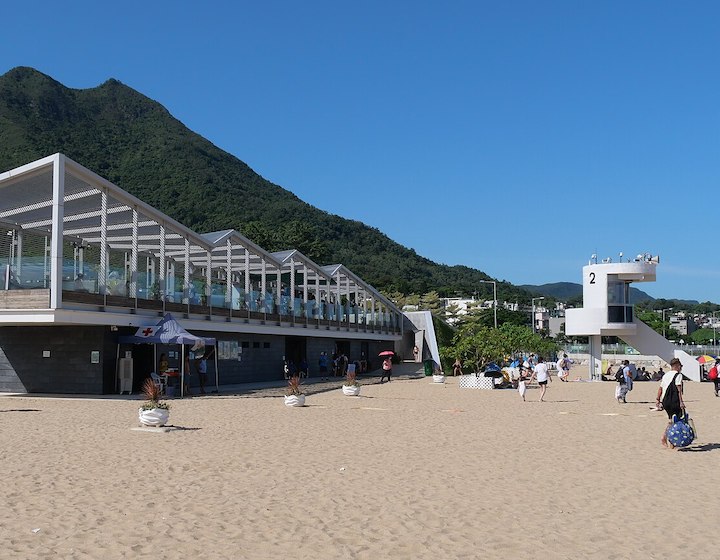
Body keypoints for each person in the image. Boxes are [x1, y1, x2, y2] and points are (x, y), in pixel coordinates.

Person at [657, 358, 686, 448]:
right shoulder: (678, 375)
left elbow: (661, 388)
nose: (681, 368)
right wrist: (681, 402)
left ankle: (668, 439)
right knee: (677, 420)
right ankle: (669, 439)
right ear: (677, 366)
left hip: (665, 400)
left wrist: (658, 399)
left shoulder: (666, 375)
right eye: (680, 366)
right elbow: (678, 390)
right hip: (674, 400)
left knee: (671, 420)